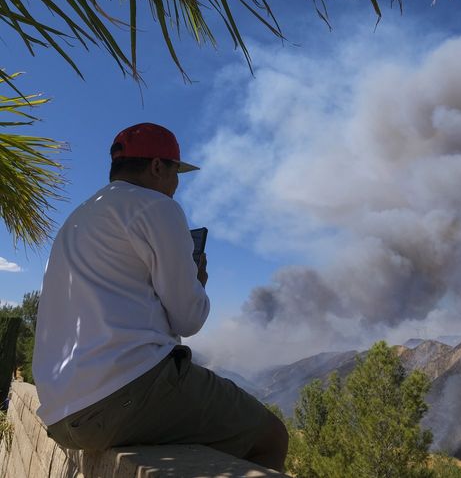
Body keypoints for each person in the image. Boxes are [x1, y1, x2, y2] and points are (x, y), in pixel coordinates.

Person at [32, 123, 288, 471]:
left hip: (61, 416)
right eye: (175, 172)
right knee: (271, 436)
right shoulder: (155, 206)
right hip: (120, 397)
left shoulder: (79, 219)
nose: (175, 184)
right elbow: (189, 318)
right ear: (156, 166)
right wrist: (198, 281)